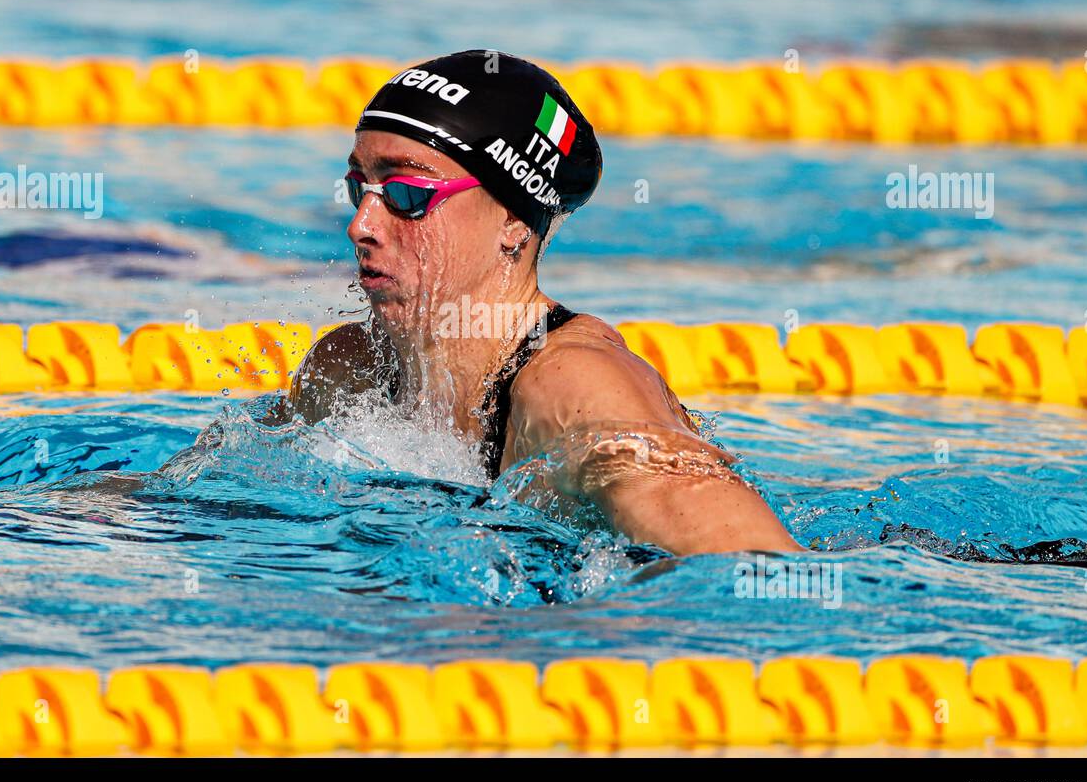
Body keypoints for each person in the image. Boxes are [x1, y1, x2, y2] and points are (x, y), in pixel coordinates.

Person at [277, 49, 801, 556]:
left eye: (407, 194)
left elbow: (751, 568)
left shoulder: (572, 385)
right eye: (359, 188)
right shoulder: (351, 368)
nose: (360, 227)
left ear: (513, 221)